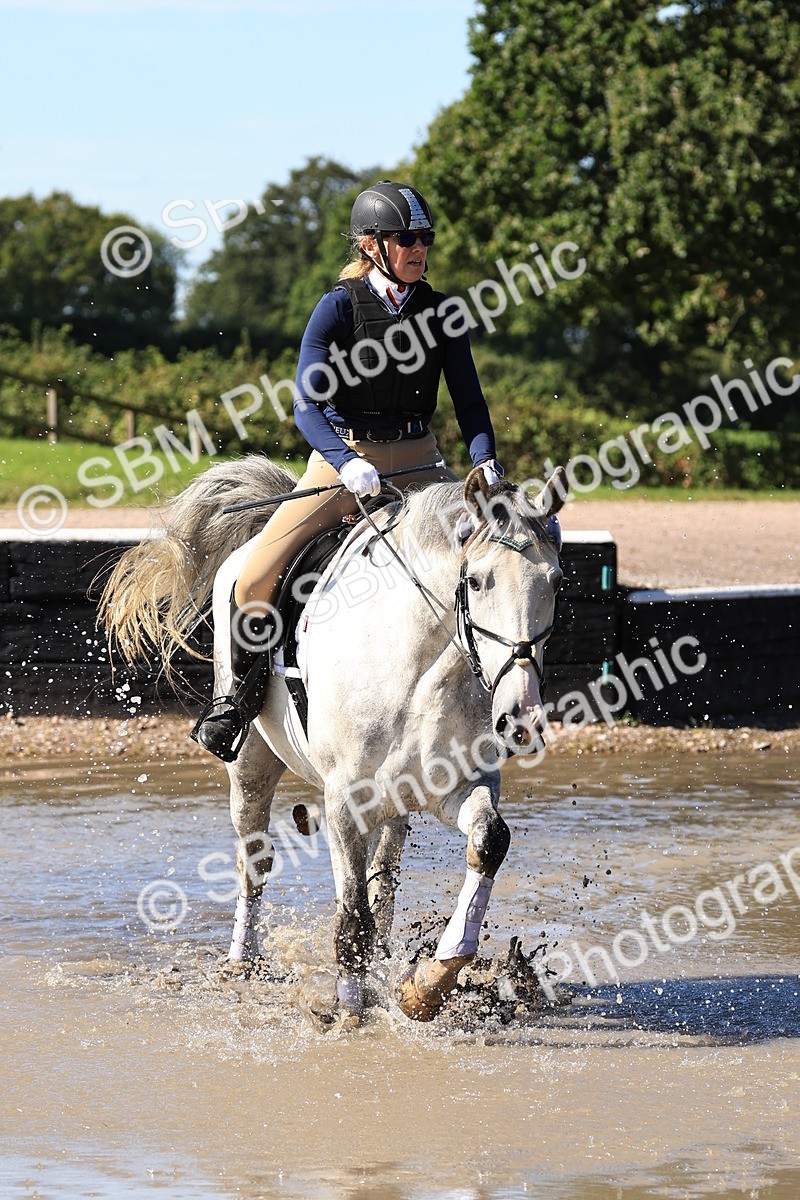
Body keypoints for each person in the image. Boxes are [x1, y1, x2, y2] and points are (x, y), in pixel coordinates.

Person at [192, 180, 504, 762]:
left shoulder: (442, 312)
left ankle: (495, 695)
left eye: (425, 238)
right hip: (344, 463)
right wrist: (345, 461)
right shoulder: (337, 307)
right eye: (406, 238)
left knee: (497, 560)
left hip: (422, 468)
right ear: (372, 245)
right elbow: (307, 405)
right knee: (253, 576)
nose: (419, 248)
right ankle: (238, 700)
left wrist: (485, 460)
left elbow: (470, 403)